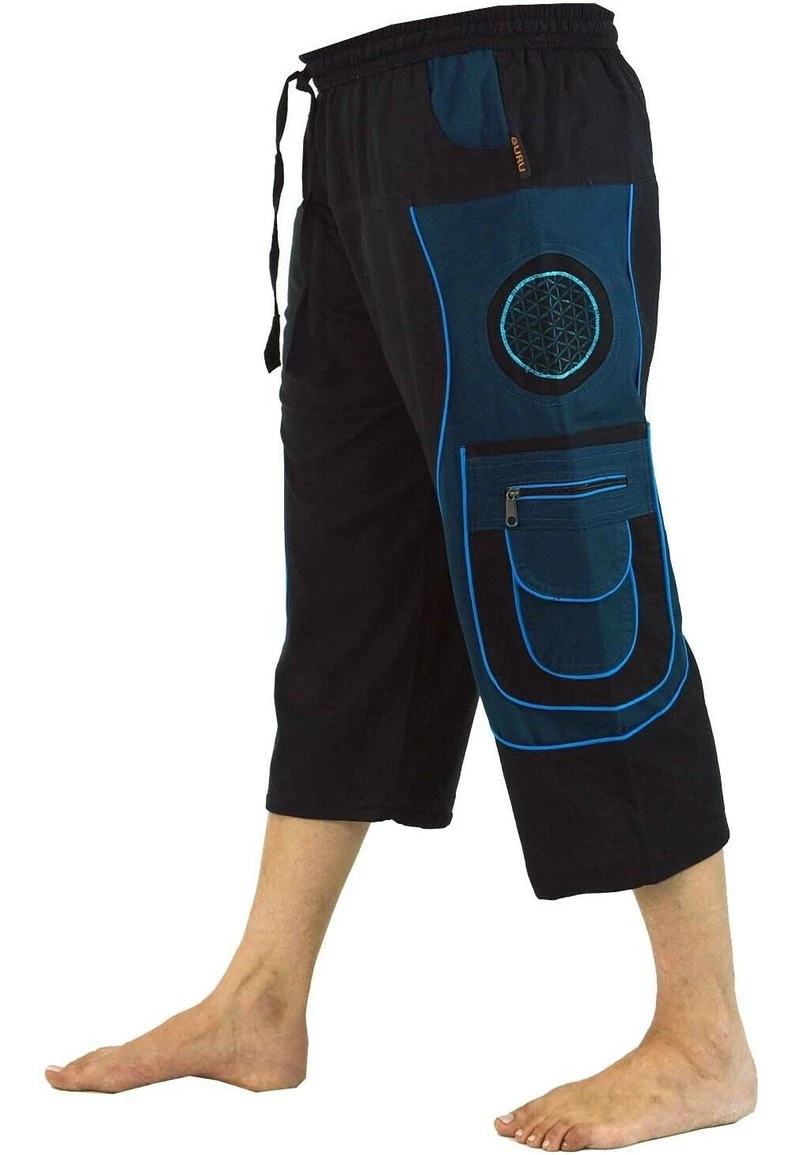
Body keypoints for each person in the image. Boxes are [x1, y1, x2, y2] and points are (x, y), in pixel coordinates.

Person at [45, 5, 756, 1149]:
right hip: (353, 111)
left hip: (501, 102)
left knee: (571, 562)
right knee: (356, 578)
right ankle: (259, 1003)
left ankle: (701, 1037)